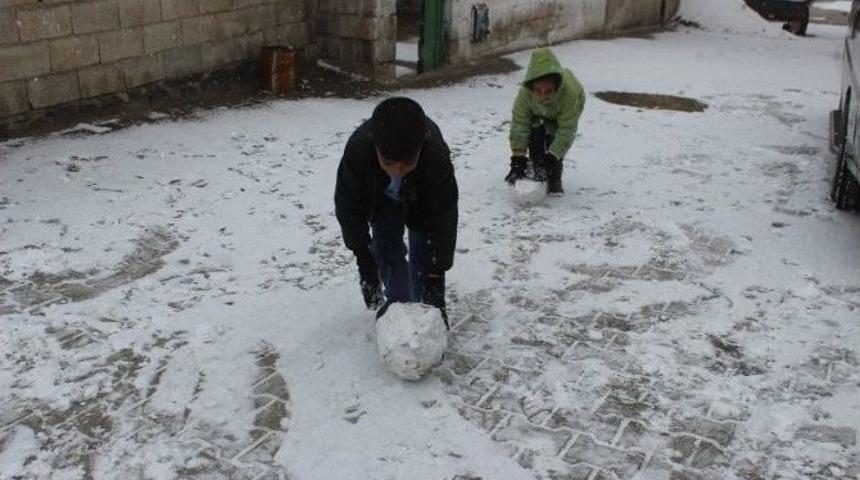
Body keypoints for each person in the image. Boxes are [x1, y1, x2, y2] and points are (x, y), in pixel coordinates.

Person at [335, 97, 458, 328]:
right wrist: (363, 256)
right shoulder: (358, 152)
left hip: (422, 201)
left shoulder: (435, 157)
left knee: (424, 256)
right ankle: (398, 311)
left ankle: (425, 314)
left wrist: (435, 279)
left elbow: (443, 219)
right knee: (385, 249)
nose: (398, 171)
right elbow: (349, 208)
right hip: (382, 200)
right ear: (375, 146)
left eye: (408, 162)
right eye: (389, 162)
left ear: (421, 147)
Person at [506, 47, 585, 195]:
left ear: (557, 86)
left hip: (562, 112)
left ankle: (554, 178)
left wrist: (552, 157)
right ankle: (536, 171)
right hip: (538, 113)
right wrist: (518, 159)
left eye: (548, 91)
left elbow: (566, 130)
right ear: (531, 87)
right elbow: (520, 124)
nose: (542, 97)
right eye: (538, 91)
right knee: (535, 136)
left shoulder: (569, 95)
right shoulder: (525, 94)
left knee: (553, 139)